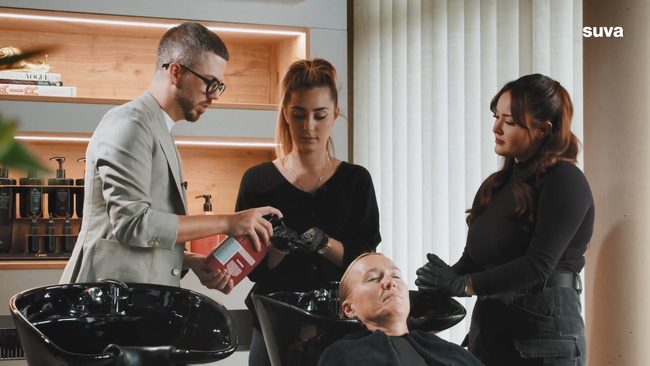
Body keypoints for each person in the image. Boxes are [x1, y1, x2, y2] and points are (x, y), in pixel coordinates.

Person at [60, 22, 281, 294]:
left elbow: (138, 238)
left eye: (219, 86)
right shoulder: (130, 123)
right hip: (102, 302)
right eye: (209, 83)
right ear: (176, 72)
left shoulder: (158, 128)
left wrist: (189, 260)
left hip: (129, 300)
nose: (214, 96)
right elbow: (133, 224)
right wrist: (229, 221)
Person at [415, 74, 594, 366]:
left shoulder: (565, 180)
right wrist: (442, 279)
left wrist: (463, 285)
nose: (496, 127)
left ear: (543, 130)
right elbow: (474, 260)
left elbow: (539, 265)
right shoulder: (495, 185)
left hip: (543, 337)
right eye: (497, 116)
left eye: (510, 121)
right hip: (491, 330)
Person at [235, 58, 381, 366]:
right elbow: (253, 268)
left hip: (341, 324)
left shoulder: (356, 180)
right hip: (274, 323)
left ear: (335, 115)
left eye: (320, 115)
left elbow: (365, 257)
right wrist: (278, 249)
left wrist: (324, 244)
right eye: (298, 115)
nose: (309, 127)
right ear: (286, 114)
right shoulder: (258, 181)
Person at [316, 252, 483, 366]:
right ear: (349, 308)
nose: (391, 282)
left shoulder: (449, 352)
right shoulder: (342, 356)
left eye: (396, 276)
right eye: (373, 278)